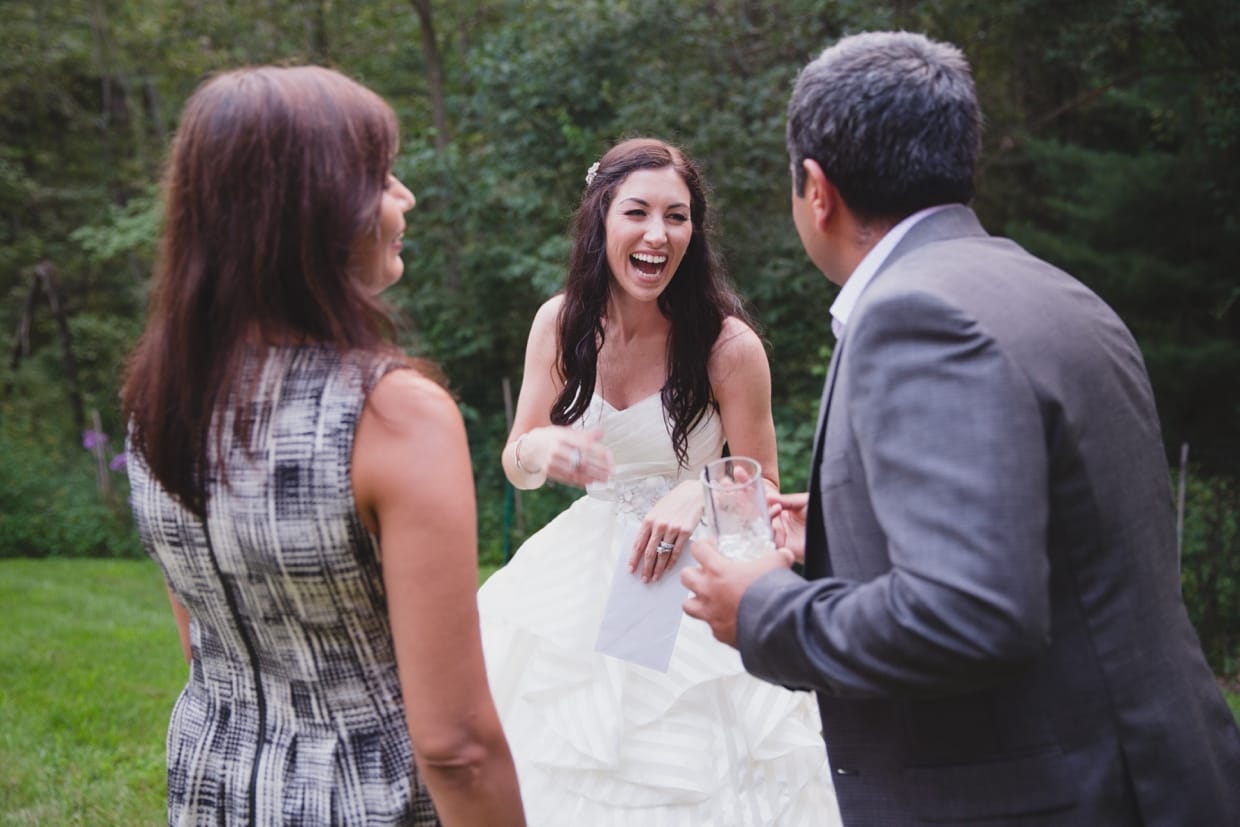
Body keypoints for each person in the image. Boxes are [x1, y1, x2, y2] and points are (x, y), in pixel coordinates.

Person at [683, 30, 1240, 826]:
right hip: (1152, 771)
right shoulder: (1050, 288)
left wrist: (764, 608)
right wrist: (845, 527)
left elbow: (971, 613)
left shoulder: (917, 316)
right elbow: (1056, 540)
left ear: (816, 188)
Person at [122, 65, 524, 826]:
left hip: (213, 780)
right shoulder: (391, 413)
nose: (404, 198)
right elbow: (456, 743)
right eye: (381, 177)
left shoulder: (159, 394)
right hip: (365, 799)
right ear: (311, 209)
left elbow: (198, 641)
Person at [477, 137, 841, 825]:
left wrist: (700, 487)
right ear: (601, 220)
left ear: (694, 233)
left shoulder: (729, 347)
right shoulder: (560, 325)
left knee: (689, 765)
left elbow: (762, 488)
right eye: (637, 212)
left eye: (676, 217)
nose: (656, 234)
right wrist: (544, 446)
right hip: (580, 572)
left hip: (695, 576)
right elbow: (516, 460)